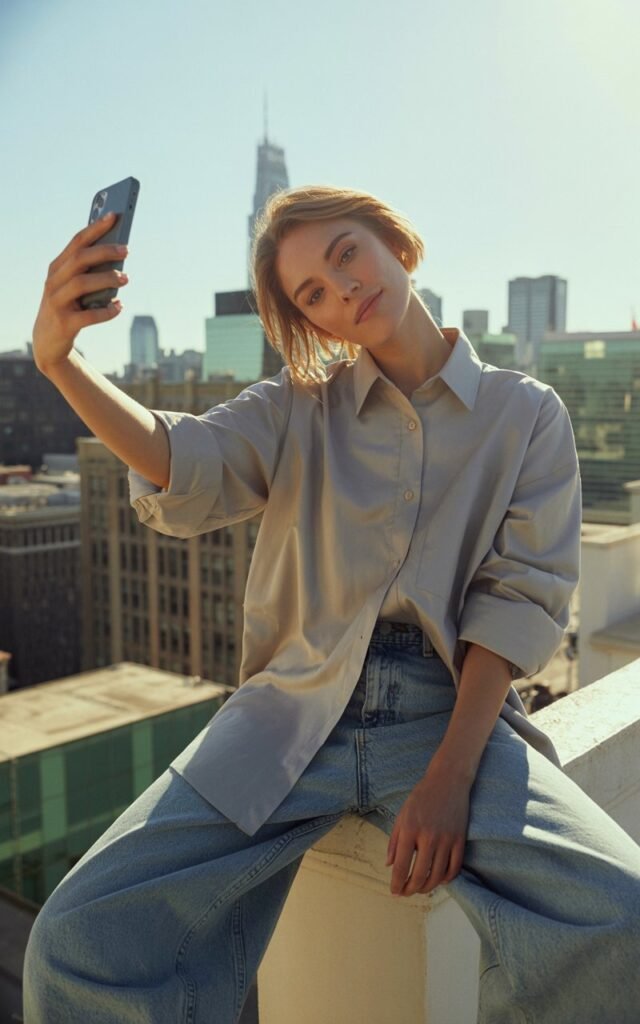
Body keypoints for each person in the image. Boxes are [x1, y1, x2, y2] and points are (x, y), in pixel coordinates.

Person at [23, 185, 640, 1023]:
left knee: (619, 918)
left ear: (396, 242)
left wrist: (451, 776)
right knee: (74, 937)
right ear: (312, 322)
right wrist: (61, 362)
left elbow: (518, 600)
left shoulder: (526, 413)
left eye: (347, 253)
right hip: (285, 711)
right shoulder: (295, 405)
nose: (343, 288)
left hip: (446, 713)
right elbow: (182, 457)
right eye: (313, 293)